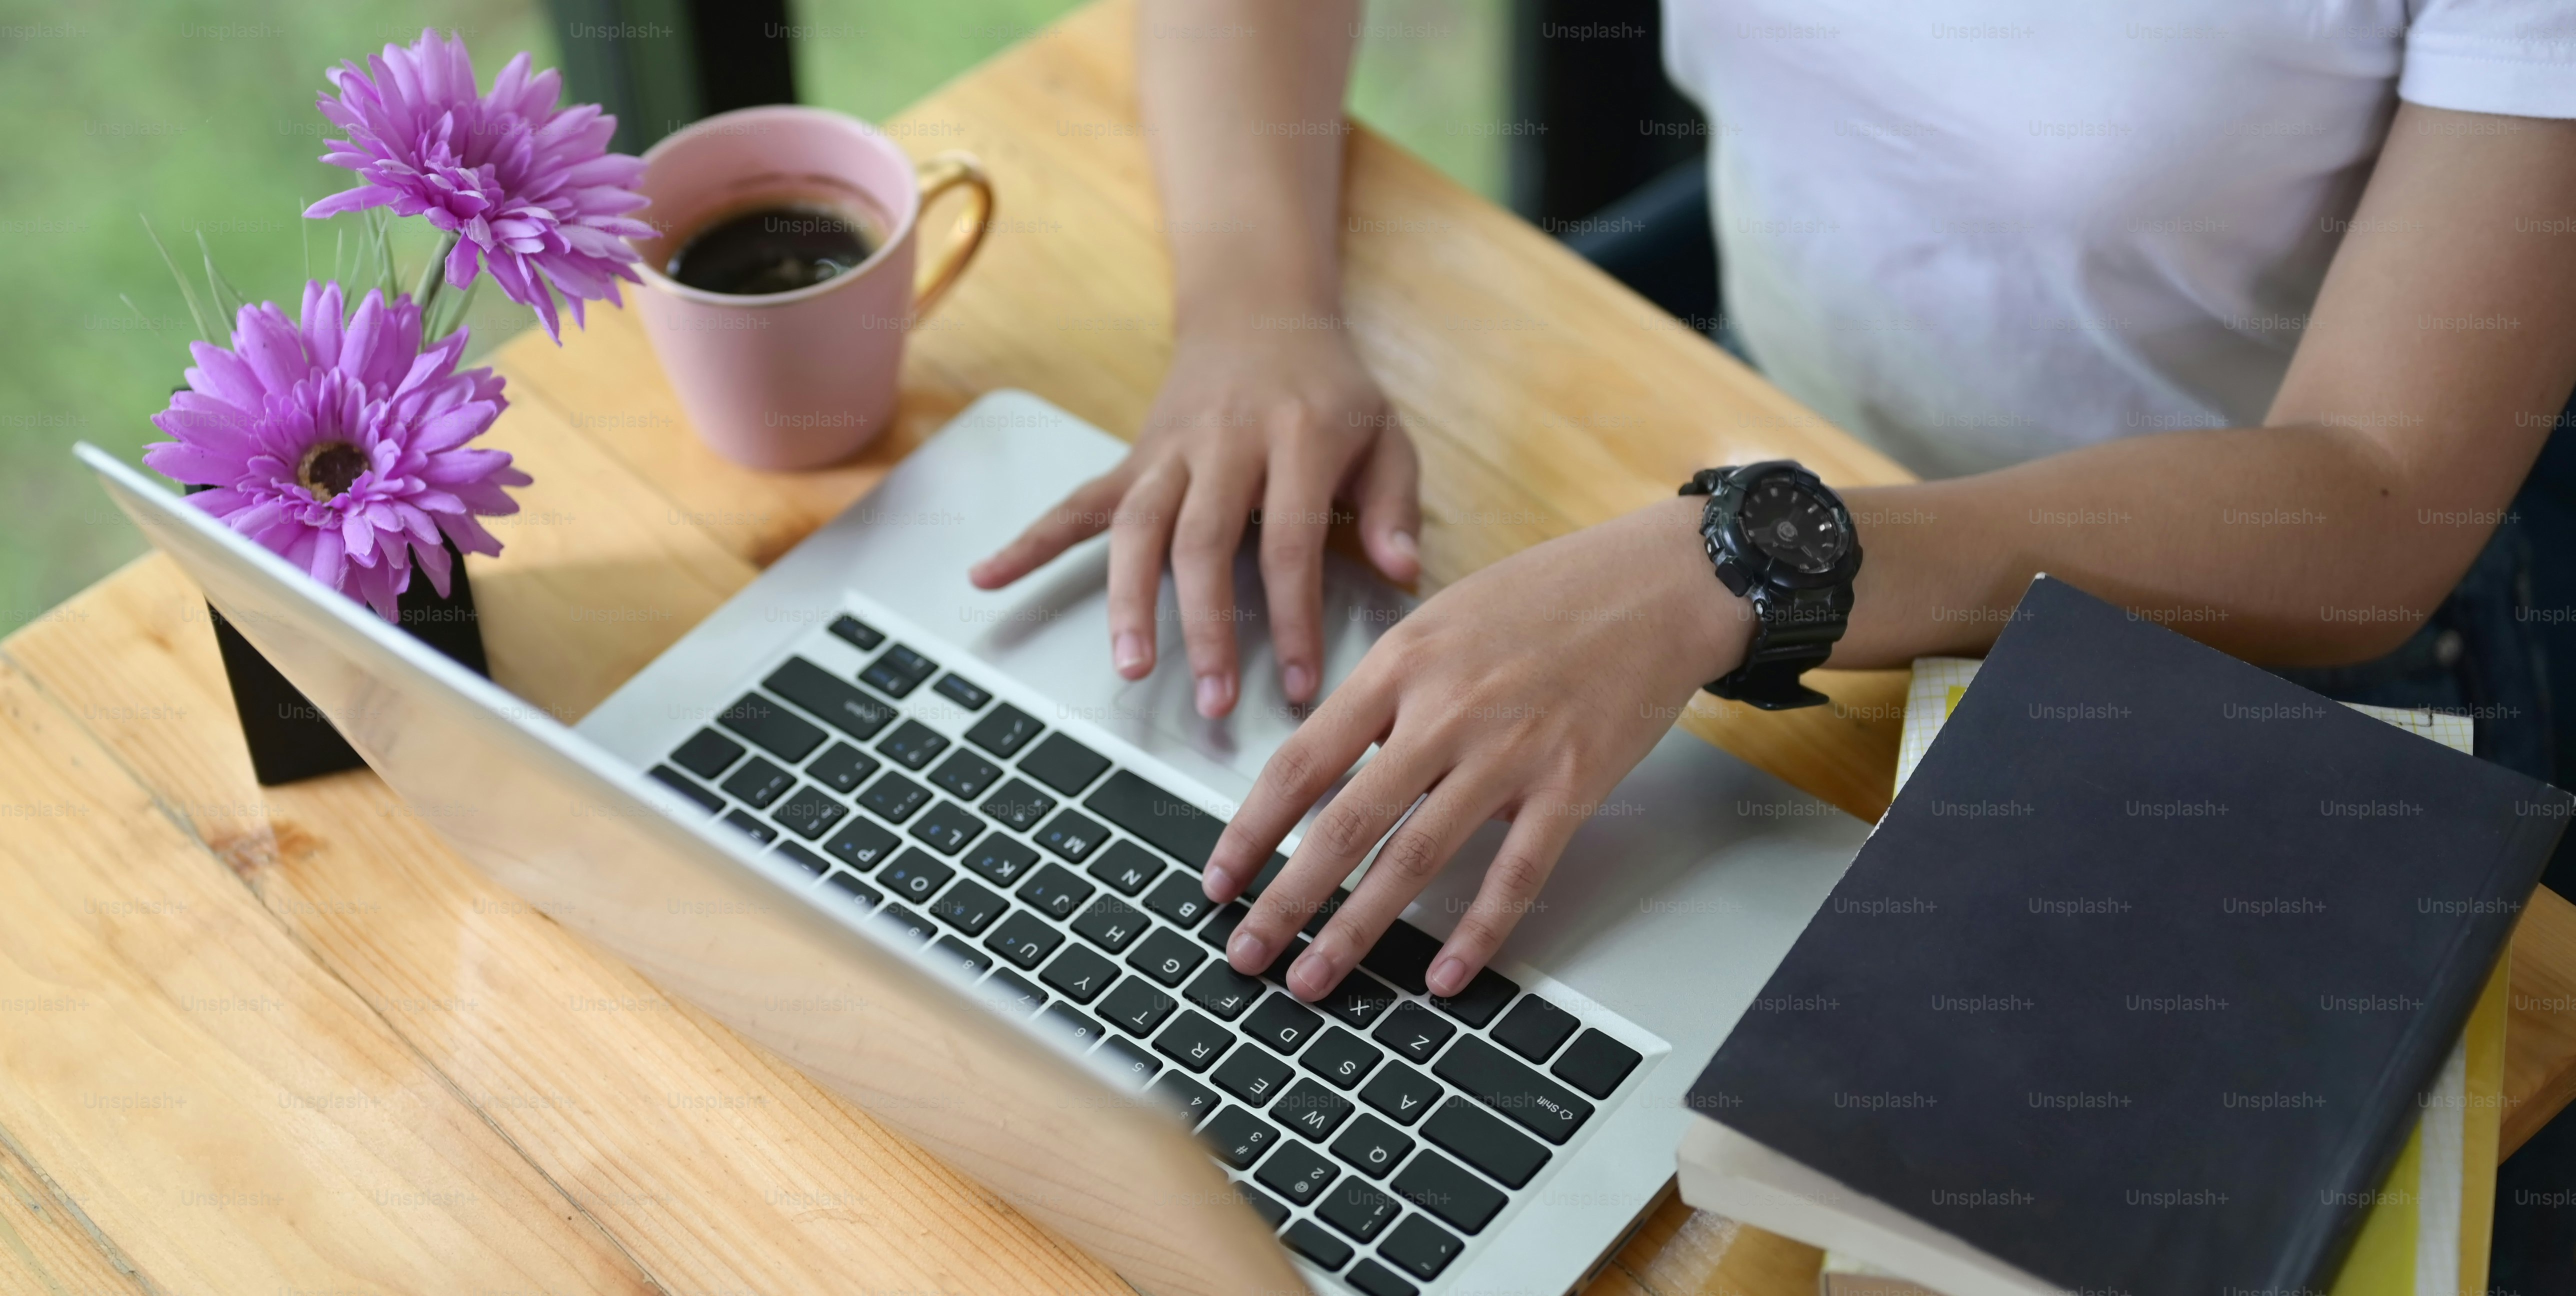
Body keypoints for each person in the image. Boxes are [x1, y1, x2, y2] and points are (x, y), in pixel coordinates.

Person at [970, 0, 2576, 1006]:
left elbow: (2376, 498)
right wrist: (1257, 307)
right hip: (1769, 419)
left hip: (2246, 628)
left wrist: (1739, 557)